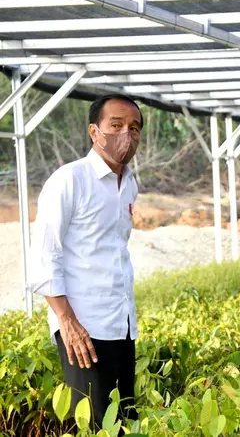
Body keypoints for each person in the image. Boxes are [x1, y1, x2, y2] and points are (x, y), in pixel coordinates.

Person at [27, 94, 143, 431]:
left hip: (122, 323)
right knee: (93, 424)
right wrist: (67, 322)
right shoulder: (70, 180)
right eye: (116, 125)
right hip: (84, 328)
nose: (126, 134)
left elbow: (112, 251)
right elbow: (44, 256)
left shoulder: (130, 184)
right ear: (95, 132)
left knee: (123, 420)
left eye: (134, 128)